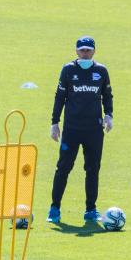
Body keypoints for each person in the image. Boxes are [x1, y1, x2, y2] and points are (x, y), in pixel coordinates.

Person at [47, 36, 114, 223]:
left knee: (93, 169)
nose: (85, 53)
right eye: (82, 50)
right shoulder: (68, 70)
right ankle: (54, 208)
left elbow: (107, 95)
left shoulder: (101, 71)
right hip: (72, 130)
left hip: (94, 130)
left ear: (94, 51)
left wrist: (109, 115)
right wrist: (54, 123)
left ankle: (91, 209)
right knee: (63, 167)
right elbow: (59, 97)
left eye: (88, 50)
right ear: (76, 51)